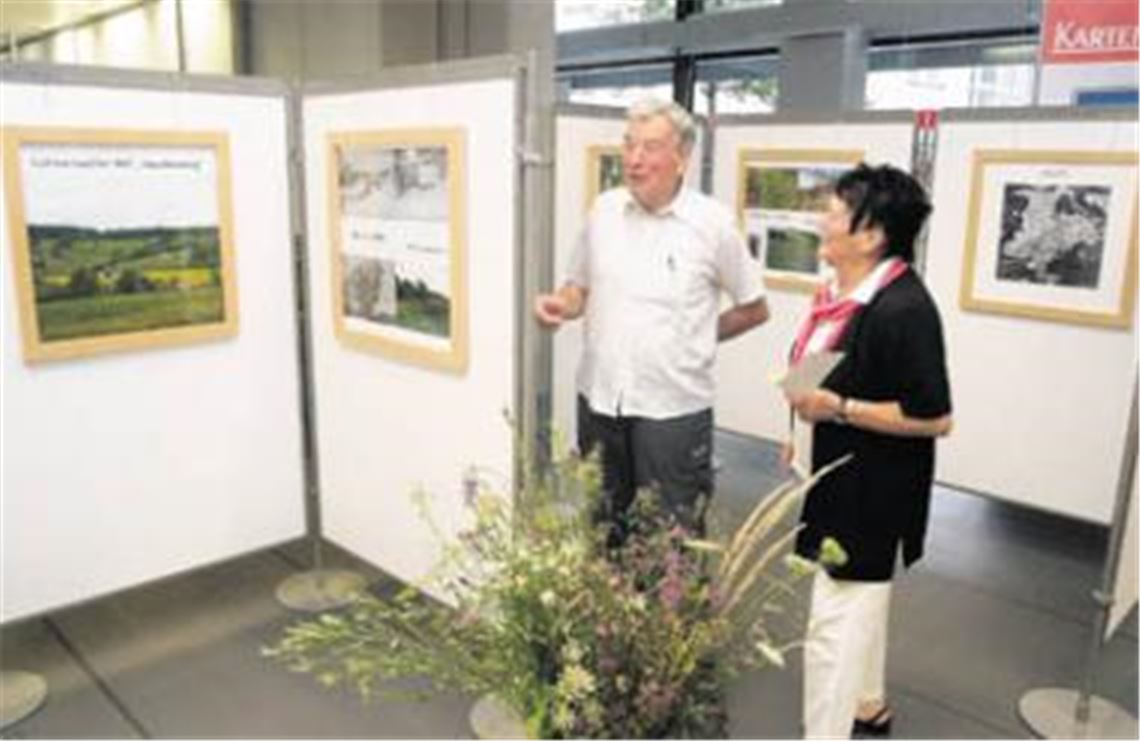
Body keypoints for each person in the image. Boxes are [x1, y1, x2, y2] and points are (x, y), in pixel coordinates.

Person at [534, 97, 770, 541]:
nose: (635, 159)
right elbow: (578, 288)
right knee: (605, 528)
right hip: (600, 401)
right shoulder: (603, 211)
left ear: (682, 157)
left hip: (673, 411)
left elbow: (755, 307)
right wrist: (561, 305)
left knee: (670, 544)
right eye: (629, 145)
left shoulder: (713, 225)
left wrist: (699, 336)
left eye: (651, 147)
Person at [782, 164, 952, 739]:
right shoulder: (843, 294)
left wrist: (840, 408)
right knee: (860, 600)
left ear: (872, 234)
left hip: (870, 494)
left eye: (833, 213)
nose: (821, 221)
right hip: (838, 476)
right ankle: (868, 704)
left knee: (833, 626)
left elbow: (936, 417)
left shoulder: (904, 309)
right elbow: (818, 368)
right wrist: (800, 418)